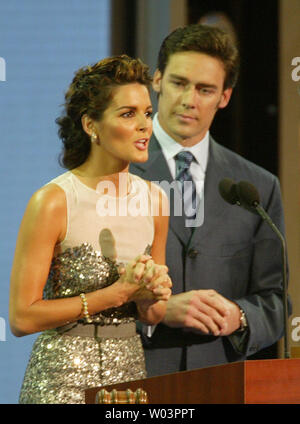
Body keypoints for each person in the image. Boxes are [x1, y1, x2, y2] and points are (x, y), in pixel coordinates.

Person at [9, 55, 172, 404]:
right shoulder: (53, 201)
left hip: (129, 381)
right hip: (63, 380)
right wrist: (112, 295)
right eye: (128, 114)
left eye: (147, 112)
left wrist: (154, 294)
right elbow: (22, 317)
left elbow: (153, 316)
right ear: (91, 126)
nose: (145, 125)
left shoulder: (156, 200)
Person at [130, 24, 289, 376]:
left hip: (220, 383)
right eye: (179, 83)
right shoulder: (113, 170)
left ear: (225, 97)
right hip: (131, 382)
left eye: (205, 89)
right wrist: (157, 312)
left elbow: (275, 301)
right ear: (156, 81)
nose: (189, 100)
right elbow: (77, 297)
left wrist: (239, 315)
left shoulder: (257, 186)